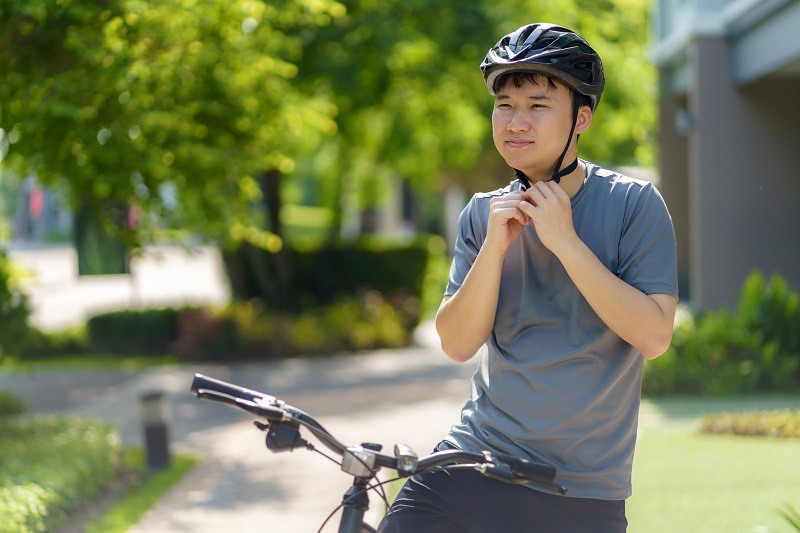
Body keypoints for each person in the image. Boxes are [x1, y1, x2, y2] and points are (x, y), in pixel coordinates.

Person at [379, 23, 678, 532]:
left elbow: (653, 336)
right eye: (504, 106)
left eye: (538, 105)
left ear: (580, 118)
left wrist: (565, 242)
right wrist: (494, 246)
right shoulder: (482, 215)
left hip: (579, 487)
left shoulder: (633, 205)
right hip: (473, 461)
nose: (516, 122)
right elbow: (455, 343)